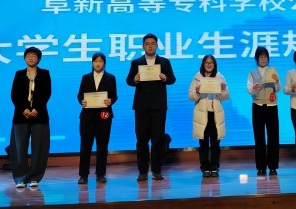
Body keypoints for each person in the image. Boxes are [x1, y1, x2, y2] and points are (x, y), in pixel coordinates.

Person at [125, 33, 176, 181]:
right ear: (143, 46)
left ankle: (156, 170)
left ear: (157, 45)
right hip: (141, 107)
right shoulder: (136, 62)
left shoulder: (164, 62)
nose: (150, 46)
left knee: (158, 140)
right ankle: (142, 171)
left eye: (153, 43)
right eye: (147, 44)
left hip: (159, 106)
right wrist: (135, 80)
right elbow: (128, 80)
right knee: (141, 140)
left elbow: (172, 79)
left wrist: (165, 78)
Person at [9, 46, 52, 189]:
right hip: (21, 116)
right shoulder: (19, 74)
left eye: (34, 55)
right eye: (28, 55)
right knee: (19, 148)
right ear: (24, 58)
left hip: (39, 116)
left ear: (38, 59)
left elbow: (46, 93)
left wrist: (36, 109)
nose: (31, 57)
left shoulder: (45, 73)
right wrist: (23, 109)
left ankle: (35, 177)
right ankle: (20, 178)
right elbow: (14, 94)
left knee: (39, 147)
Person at [76, 52, 118, 185]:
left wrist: (110, 101)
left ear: (104, 63)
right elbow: (80, 95)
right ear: (92, 63)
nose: (98, 63)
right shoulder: (85, 77)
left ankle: (100, 174)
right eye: (95, 61)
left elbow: (114, 95)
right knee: (85, 146)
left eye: (100, 61)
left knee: (102, 146)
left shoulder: (110, 77)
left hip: (104, 116)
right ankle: (83, 175)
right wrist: (82, 101)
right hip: (87, 117)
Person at [188, 55, 230, 178]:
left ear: (214, 64)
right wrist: (197, 92)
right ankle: (205, 167)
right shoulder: (197, 77)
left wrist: (223, 90)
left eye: (211, 63)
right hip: (202, 114)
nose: (209, 65)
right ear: (203, 64)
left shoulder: (220, 77)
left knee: (216, 143)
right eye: (207, 63)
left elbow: (226, 96)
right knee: (203, 142)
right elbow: (190, 96)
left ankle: (215, 166)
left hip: (215, 114)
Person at [246, 46, 281, 177]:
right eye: (261, 56)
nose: (263, 59)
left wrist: (277, 81)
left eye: (265, 56)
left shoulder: (273, 70)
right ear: (257, 58)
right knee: (259, 137)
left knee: (273, 137)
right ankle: (261, 167)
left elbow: (278, 88)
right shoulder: (252, 73)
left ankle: (273, 167)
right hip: (258, 106)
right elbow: (249, 89)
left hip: (272, 106)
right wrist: (254, 88)